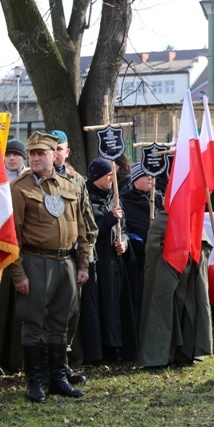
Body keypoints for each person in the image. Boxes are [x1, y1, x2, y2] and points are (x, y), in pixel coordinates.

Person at [8, 131, 90, 402]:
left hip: (66, 262)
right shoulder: (20, 189)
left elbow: (82, 230)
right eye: (32, 154)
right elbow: (11, 236)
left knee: (60, 323)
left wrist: (82, 264)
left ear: (54, 155)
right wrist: (19, 273)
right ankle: (35, 381)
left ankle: (58, 378)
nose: (36, 158)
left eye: (41, 153)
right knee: (33, 323)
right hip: (35, 262)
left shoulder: (69, 186)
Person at [48, 129, 99, 381]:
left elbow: (88, 223)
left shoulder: (77, 180)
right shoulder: (33, 178)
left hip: (71, 256)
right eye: (52, 148)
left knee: (70, 312)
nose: (56, 152)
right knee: (46, 314)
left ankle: (63, 363)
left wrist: (84, 262)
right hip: (44, 258)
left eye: (60, 148)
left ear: (67, 152)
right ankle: (46, 367)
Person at [81, 158, 137, 364]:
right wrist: (110, 218)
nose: (113, 180)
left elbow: (125, 228)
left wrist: (124, 241)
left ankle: (119, 346)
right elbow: (90, 229)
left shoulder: (115, 198)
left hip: (115, 262)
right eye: (108, 176)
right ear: (97, 178)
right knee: (100, 305)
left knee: (117, 303)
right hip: (97, 261)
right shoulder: (86, 198)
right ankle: (101, 351)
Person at [120, 162, 164, 326]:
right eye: (145, 174)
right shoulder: (124, 202)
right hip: (138, 262)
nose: (150, 178)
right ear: (135, 179)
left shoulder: (159, 199)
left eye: (152, 174)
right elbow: (125, 229)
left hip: (160, 259)